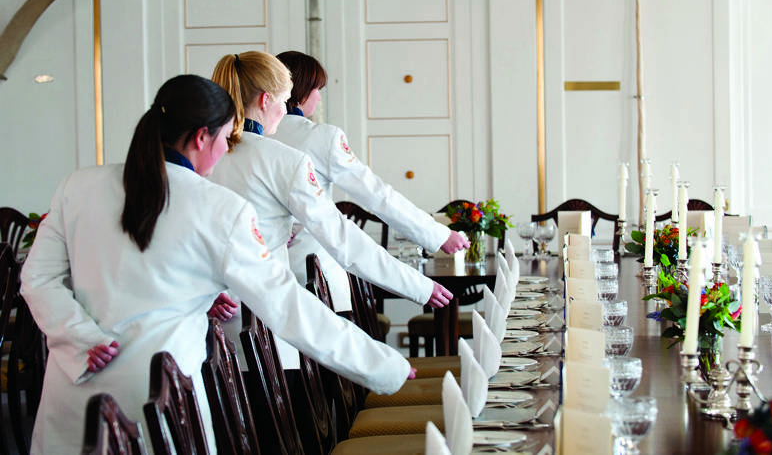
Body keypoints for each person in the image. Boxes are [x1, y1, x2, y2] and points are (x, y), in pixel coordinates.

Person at [20, 75, 414, 454]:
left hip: (74, 394)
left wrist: (80, 338)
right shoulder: (220, 209)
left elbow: (38, 280)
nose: (228, 149)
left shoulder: (78, 185)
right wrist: (385, 365)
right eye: (226, 137)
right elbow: (290, 308)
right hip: (160, 401)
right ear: (201, 137)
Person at [207, 51, 452, 368]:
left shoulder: (203, 153)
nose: (285, 112)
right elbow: (344, 238)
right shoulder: (282, 159)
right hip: (269, 325)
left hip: (211, 326)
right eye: (283, 101)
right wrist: (418, 286)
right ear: (266, 100)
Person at [271, 50, 469, 305]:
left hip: (261, 278)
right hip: (313, 278)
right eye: (317, 89)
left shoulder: (244, 138)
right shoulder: (320, 137)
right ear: (300, 90)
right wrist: (438, 235)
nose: (319, 97)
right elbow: (378, 196)